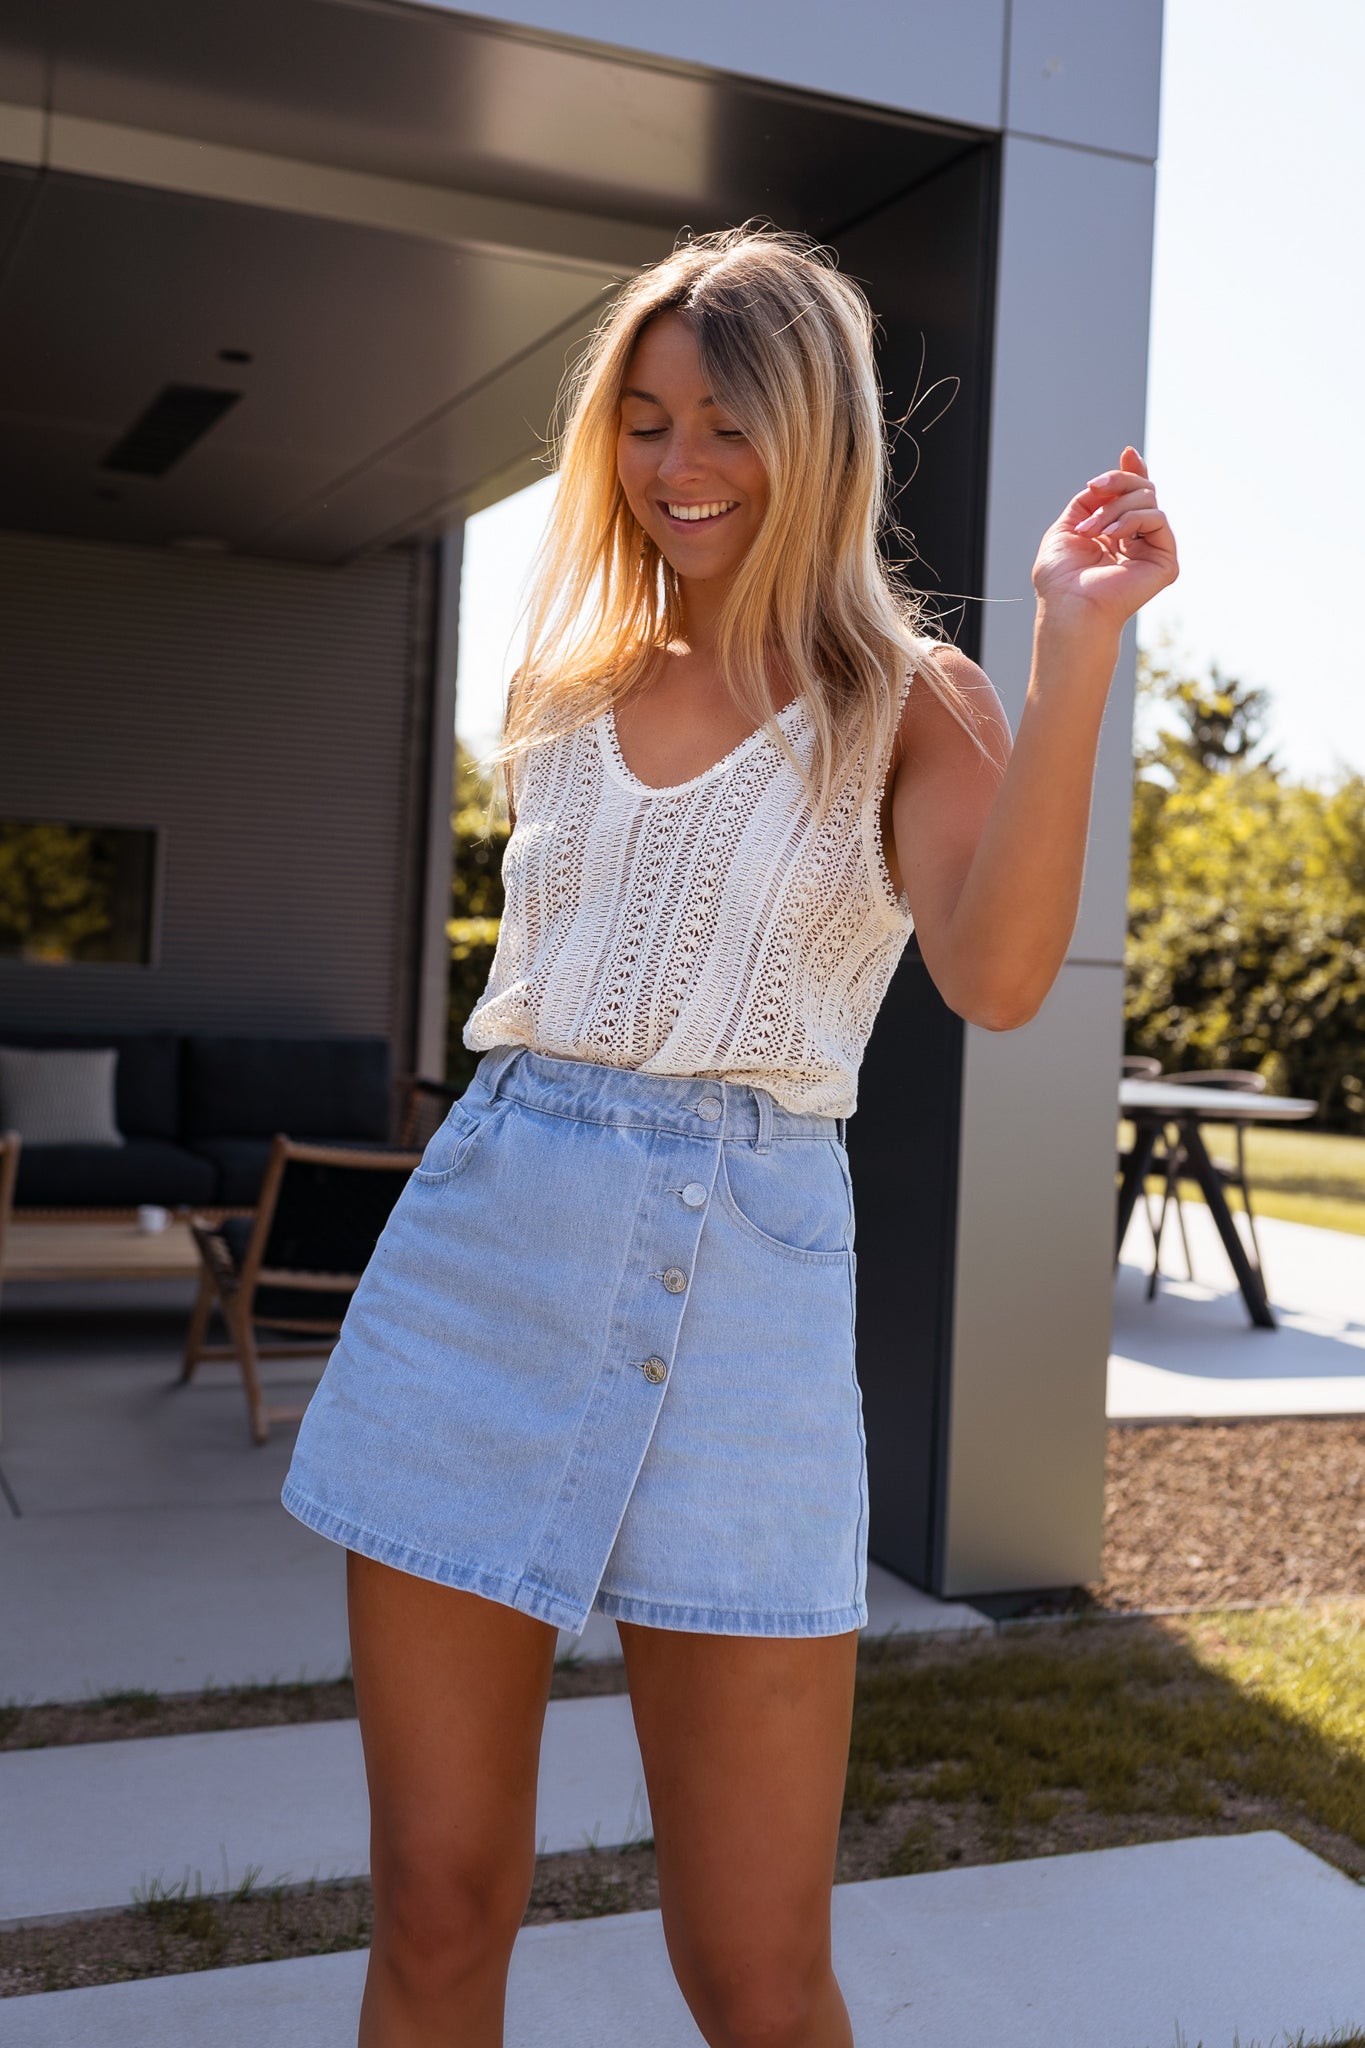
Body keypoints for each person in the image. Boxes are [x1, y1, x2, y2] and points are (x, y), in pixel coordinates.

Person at [280, 222, 1177, 2047]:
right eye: (645, 421)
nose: (677, 464)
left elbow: (999, 976)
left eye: (726, 424)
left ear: (817, 436)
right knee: (435, 1911)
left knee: (753, 1976)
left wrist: (1073, 645)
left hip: (743, 1307)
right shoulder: (563, 689)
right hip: (480, 1271)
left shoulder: (905, 699)